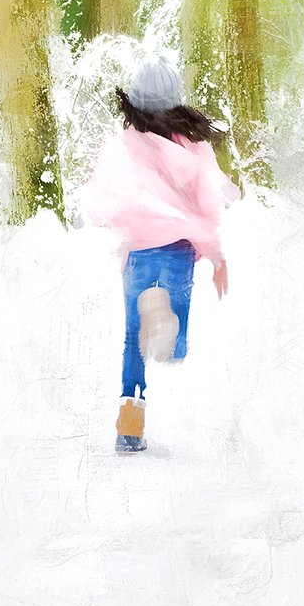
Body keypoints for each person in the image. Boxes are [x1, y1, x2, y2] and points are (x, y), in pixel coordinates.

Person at [74, 51, 237, 455]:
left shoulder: (123, 145)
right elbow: (209, 203)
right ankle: (163, 318)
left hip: (137, 253)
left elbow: (102, 193)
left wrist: (85, 218)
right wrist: (216, 256)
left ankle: (129, 429)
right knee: (172, 344)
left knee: (134, 341)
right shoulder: (195, 150)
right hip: (179, 250)